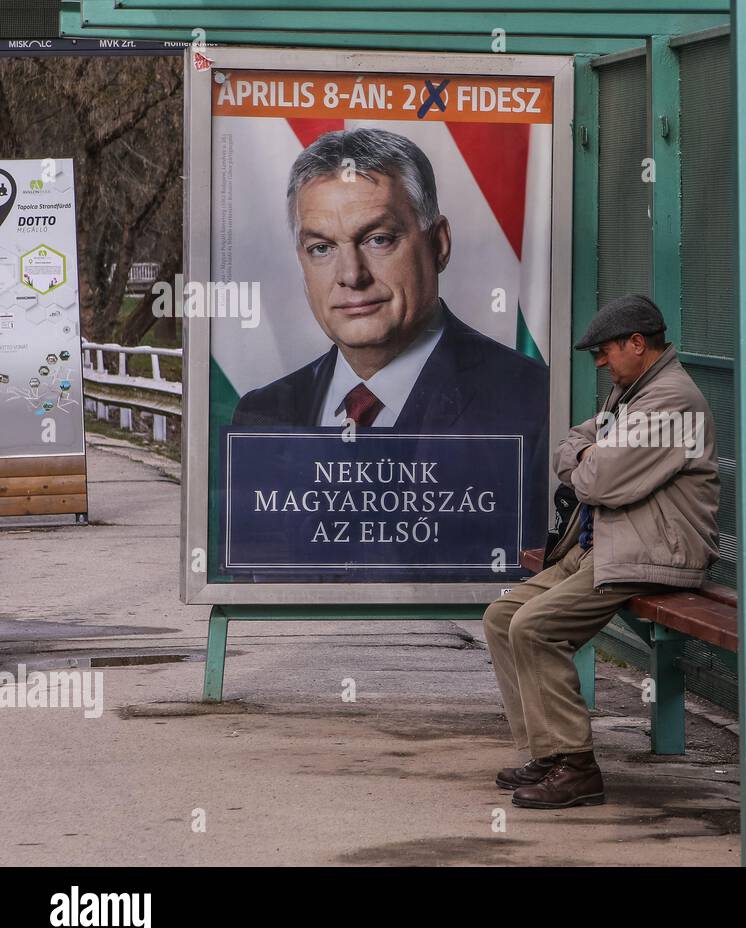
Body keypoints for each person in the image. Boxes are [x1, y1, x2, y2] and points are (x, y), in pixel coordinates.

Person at [230, 127, 548, 545]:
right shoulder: (260, 415)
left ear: (439, 244)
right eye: (322, 248)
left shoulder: (533, 404)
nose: (351, 276)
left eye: (378, 239)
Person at [482, 293, 721, 809]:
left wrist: (589, 458)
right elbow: (574, 443)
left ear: (638, 343)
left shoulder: (672, 401)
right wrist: (589, 454)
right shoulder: (633, 392)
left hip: (652, 553)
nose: (600, 363)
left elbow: (597, 480)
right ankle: (548, 753)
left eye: (605, 352)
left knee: (535, 626)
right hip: (610, 545)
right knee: (503, 615)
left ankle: (577, 767)